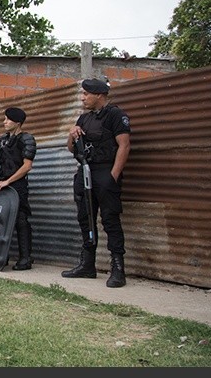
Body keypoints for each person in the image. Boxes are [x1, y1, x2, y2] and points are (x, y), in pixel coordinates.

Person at [62, 78, 131, 288]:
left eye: (86, 94)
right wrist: (72, 134)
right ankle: (87, 265)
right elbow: (71, 149)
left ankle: (118, 269)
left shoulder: (115, 115)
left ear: (99, 95)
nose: (82, 98)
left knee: (110, 220)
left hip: (105, 172)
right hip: (85, 171)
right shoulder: (84, 118)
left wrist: (113, 176)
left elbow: (124, 146)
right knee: (85, 219)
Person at [0, 107, 37, 270]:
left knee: (20, 220)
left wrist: (7, 182)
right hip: (0, 185)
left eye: (8, 119)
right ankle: (0, 256)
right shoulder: (0, 140)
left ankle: (25, 258)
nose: (4, 122)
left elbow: (27, 166)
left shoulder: (27, 139)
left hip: (17, 186)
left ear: (17, 122)